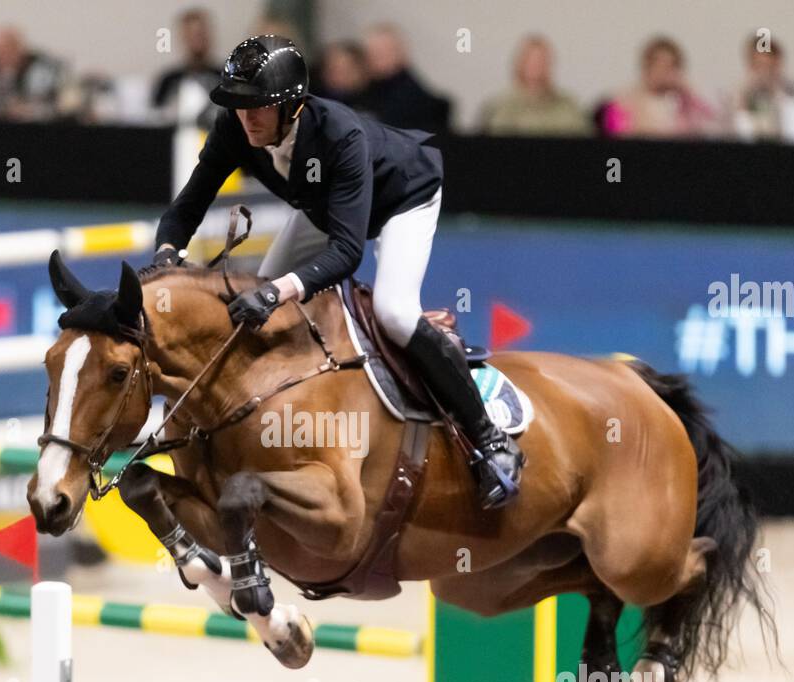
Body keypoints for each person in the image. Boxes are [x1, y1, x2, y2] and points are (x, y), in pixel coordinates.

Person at [151, 35, 523, 509]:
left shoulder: (339, 135)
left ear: (293, 107)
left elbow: (347, 253)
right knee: (256, 312)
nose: (248, 118)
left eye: (259, 106)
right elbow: (187, 207)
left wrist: (276, 293)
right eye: (239, 106)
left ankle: (489, 442)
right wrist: (165, 258)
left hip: (402, 199)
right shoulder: (235, 128)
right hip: (324, 207)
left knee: (393, 313)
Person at [602, 36, 717, 138]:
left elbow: (711, 128)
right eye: (659, 65)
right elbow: (613, 133)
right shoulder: (624, 100)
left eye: (671, 66)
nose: (664, 72)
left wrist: (689, 94)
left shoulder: (684, 103)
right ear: (646, 66)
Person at [479, 35, 588, 136]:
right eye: (532, 61)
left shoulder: (568, 106)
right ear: (520, 63)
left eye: (542, 61)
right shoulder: (498, 106)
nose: (537, 66)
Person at [358, 24, 450, 134]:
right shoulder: (361, 91)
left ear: (401, 53)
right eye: (372, 53)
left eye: (383, 52)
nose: (376, 58)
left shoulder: (414, 99)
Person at [730, 34, 794, 144]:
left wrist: (777, 94)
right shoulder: (739, 92)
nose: (764, 73)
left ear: (778, 63)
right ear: (749, 65)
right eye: (759, 66)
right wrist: (742, 97)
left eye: (770, 67)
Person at [0, 27, 68, 121]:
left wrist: (25, 109)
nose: (2, 56)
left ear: (20, 49)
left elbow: (53, 108)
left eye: (7, 49)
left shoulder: (40, 71)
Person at [151, 8, 219, 126]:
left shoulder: (225, 77)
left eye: (200, 34)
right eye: (191, 35)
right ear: (182, 36)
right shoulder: (168, 80)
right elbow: (155, 118)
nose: (197, 41)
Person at [312, 41, 369, 110]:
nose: (338, 76)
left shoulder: (376, 100)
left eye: (346, 70)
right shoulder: (314, 104)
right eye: (333, 69)